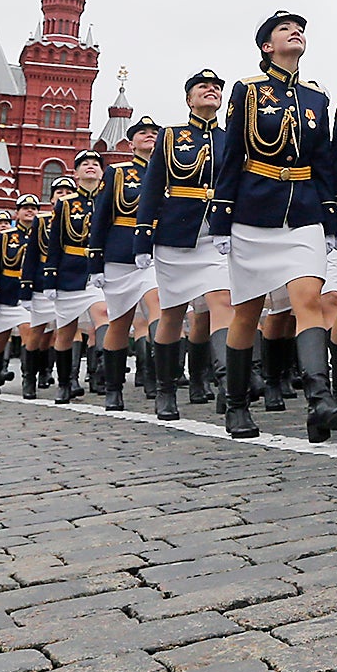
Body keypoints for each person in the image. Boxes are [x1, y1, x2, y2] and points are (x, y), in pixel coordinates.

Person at [208, 13, 337, 438]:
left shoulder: (315, 98)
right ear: (267, 46)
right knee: (247, 312)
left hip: (302, 209)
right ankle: (235, 404)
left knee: (308, 300)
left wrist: (332, 216)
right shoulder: (247, 91)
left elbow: (323, 160)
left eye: (300, 28)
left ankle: (320, 400)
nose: (295, 32)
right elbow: (231, 154)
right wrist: (222, 218)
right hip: (254, 211)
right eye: (284, 29)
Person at [139, 71, 231, 420]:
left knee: (222, 300)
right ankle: (165, 388)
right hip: (177, 235)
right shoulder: (171, 136)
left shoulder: (230, 137)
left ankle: (225, 383)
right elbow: (152, 186)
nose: (212, 90)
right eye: (203, 87)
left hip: (218, 234)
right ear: (189, 98)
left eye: (217, 87)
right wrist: (143, 235)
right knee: (173, 314)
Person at [93, 118, 159, 411]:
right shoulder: (118, 172)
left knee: (159, 308)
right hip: (122, 254)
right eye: (142, 133)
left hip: (157, 253)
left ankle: (159, 378)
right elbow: (101, 217)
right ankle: (113, 387)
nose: (149, 136)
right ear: (130, 143)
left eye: (154, 133)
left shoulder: (169, 171)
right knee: (119, 323)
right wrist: (95, 262)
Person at [46, 155, 106, 402]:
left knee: (103, 314)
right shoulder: (66, 204)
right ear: (76, 173)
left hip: (99, 270)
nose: (90, 167)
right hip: (70, 272)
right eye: (84, 164)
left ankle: (103, 365)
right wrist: (50, 277)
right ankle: (65, 382)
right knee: (65, 332)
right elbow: (55, 244)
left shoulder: (109, 200)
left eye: (95, 164)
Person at [0, 196, 41, 394]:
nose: (30, 211)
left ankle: (29, 380)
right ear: (16, 213)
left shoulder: (42, 234)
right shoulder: (6, 236)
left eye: (34, 208)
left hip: (29, 293)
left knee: (29, 333)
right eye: (25, 208)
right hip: (7, 292)